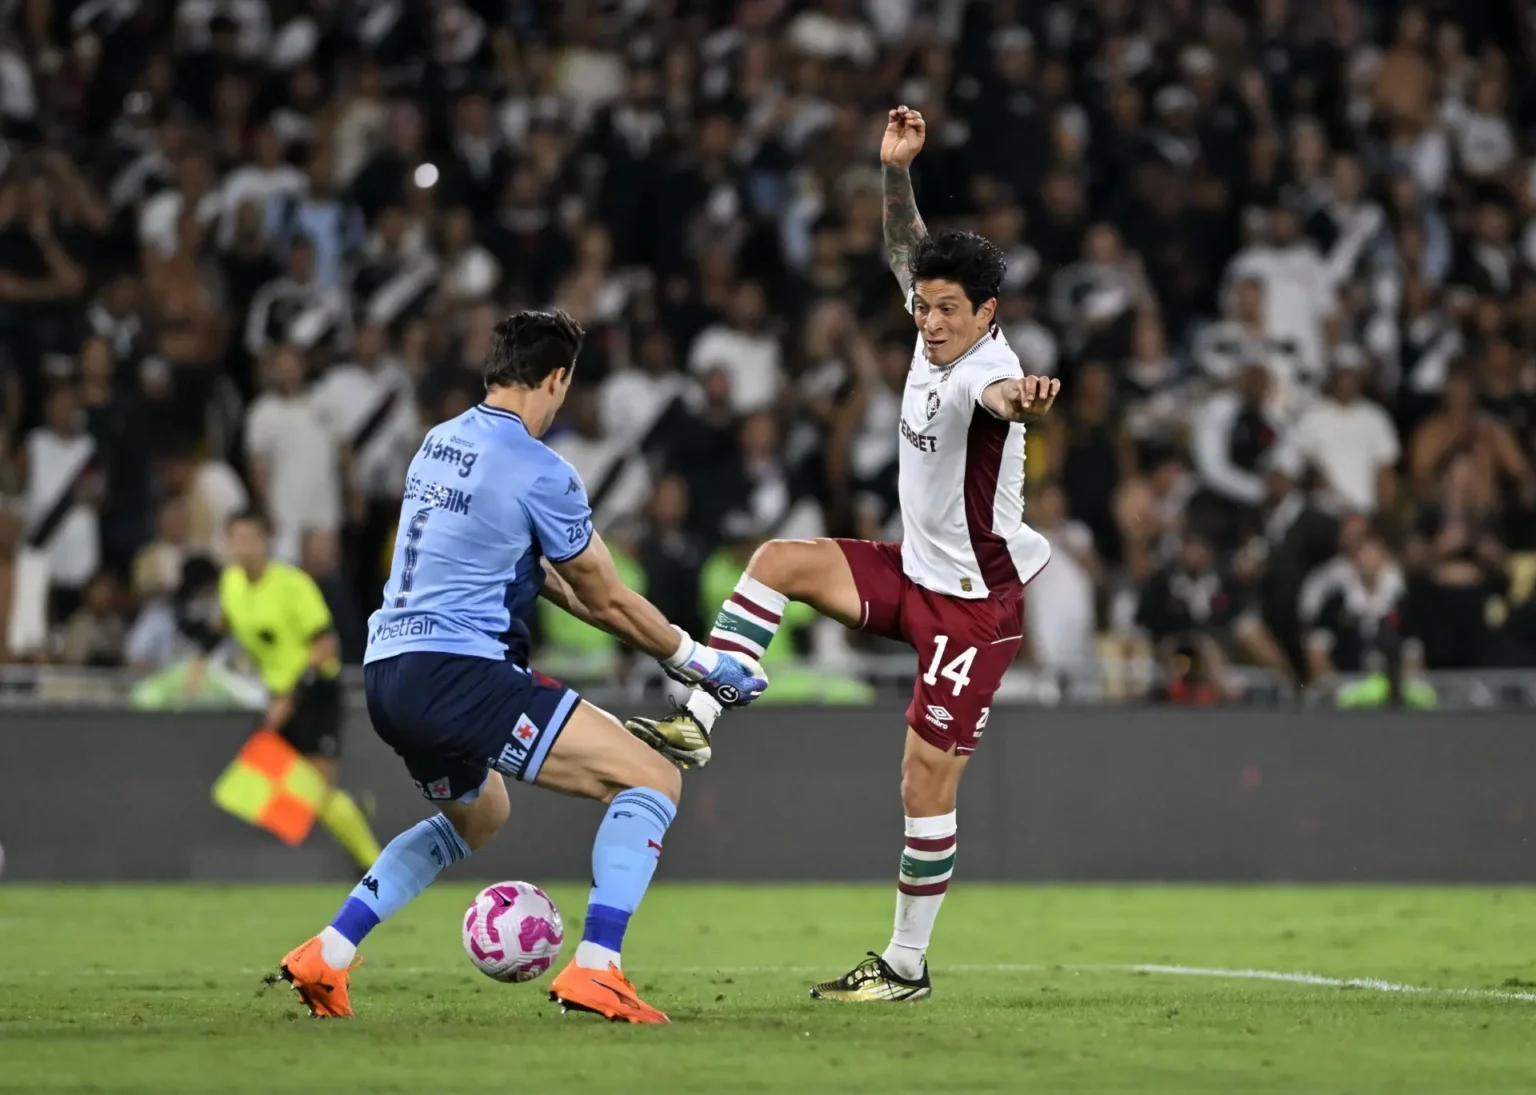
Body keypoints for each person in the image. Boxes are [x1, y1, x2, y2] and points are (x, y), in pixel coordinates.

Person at [628, 107, 1059, 1002]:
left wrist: (1029, 397)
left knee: (922, 781)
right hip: (912, 573)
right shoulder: (930, 316)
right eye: (925, 306)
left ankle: (906, 963)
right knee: (778, 560)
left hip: (973, 608)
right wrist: (895, 171)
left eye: (949, 310)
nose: (931, 321)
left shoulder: (987, 370)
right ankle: (702, 717)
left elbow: (1005, 400)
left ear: (989, 314)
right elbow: (908, 251)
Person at [271, 310, 767, 1025]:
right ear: (558, 379)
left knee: (480, 814)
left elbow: (553, 581)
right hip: (460, 671)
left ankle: (330, 951)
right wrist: (698, 660)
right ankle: (598, 968)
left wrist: (661, 642)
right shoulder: (543, 469)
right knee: (652, 776)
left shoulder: (437, 444)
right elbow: (604, 594)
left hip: (387, 673)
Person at [217, 510, 381, 870]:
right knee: (296, 794)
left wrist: (292, 696)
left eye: (251, 538)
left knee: (316, 790)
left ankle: (376, 867)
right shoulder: (230, 584)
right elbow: (233, 632)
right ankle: (352, 812)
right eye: (236, 539)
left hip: (315, 690)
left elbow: (325, 644)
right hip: (278, 696)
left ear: (265, 542)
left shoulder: (292, 584)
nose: (243, 547)